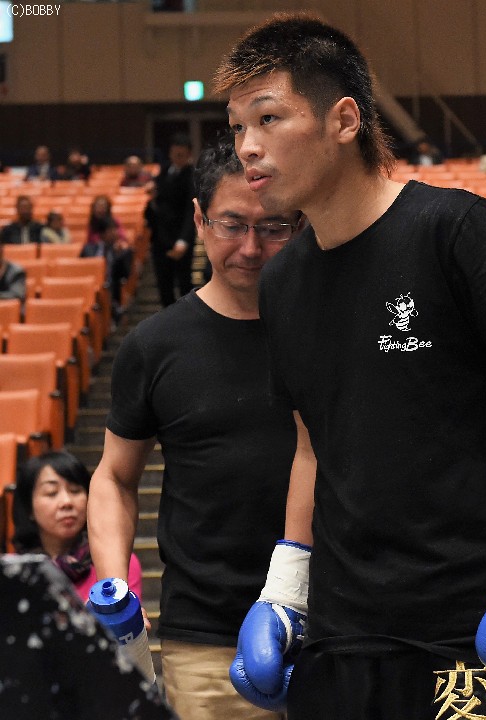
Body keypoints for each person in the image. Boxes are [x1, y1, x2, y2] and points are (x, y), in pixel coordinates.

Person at [216, 14, 486, 719]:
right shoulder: (283, 281)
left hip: (473, 633)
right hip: (340, 640)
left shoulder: (452, 228)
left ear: (344, 120)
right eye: (237, 126)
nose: (247, 146)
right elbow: (311, 444)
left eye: (268, 118)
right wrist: (286, 587)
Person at [87, 137, 300, 720]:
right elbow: (114, 477)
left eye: (273, 228)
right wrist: (115, 585)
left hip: (337, 624)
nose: (251, 248)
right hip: (210, 639)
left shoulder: (331, 330)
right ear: (200, 219)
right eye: (232, 225)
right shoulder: (154, 345)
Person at [13, 450, 142, 603]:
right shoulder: (14, 571)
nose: (66, 502)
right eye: (51, 493)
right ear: (29, 508)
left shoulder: (117, 562)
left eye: (75, 491)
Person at [145, 133, 196, 306]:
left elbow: (190, 210)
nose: (177, 157)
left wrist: (183, 240)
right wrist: (152, 198)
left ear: (189, 154)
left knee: (184, 284)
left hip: (179, 238)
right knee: (163, 284)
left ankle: (186, 320)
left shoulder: (192, 176)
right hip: (160, 238)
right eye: (175, 154)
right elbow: (156, 204)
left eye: (181, 154)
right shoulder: (163, 172)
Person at [82, 218, 133, 322]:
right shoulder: (88, 250)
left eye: (115, 230)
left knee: (106, 292)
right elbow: (80, 272)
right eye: (110, 230)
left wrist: (119, 256)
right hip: (91, 288)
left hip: (111, 289)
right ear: (102, 234)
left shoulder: (123, 252)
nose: (114, 233)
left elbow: (125, 275)